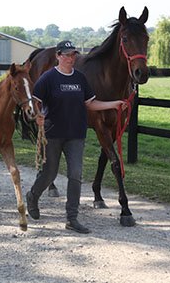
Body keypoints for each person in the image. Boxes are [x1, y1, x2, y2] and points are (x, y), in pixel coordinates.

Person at [26, 40, 127, 234]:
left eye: (73, 54)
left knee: (75, 174)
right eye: (66, 55)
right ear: (58, 56)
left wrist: (113, 104)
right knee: (49, 173)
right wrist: (37, 116)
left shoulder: (80, 78)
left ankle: (72, 218)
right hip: (53, 134)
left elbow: (91, 104)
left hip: (75, 135)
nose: (70, 58)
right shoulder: (48, 78)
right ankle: (33, 195)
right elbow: (35, 102)